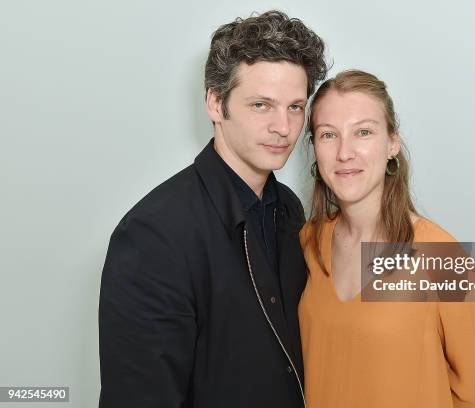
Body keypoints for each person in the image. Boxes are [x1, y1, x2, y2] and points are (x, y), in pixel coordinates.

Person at [98, 11, 326, 408]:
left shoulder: (289, 210)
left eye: (295, 107)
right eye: (261, 105)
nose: (284, 127)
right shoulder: (153, 235)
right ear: (215, 104)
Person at [299, 70, 475, 407]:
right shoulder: (307, 240)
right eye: (328, 134)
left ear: (392, 143)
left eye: (363, 132)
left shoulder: (440, 255)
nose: (345, 152)